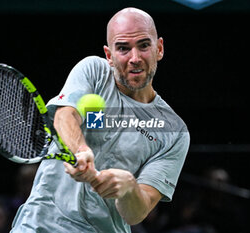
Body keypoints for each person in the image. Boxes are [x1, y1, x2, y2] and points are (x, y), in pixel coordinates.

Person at [10, 7, 190, 233]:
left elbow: (137, 213)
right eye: (123, 48)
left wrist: (129, 188)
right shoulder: (94, 71)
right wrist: (81, 150)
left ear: (159, 48)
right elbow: (65, 115)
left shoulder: (173, 132)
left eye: (144, 46)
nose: (134, 58)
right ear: (109, 55)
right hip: (39, 225)